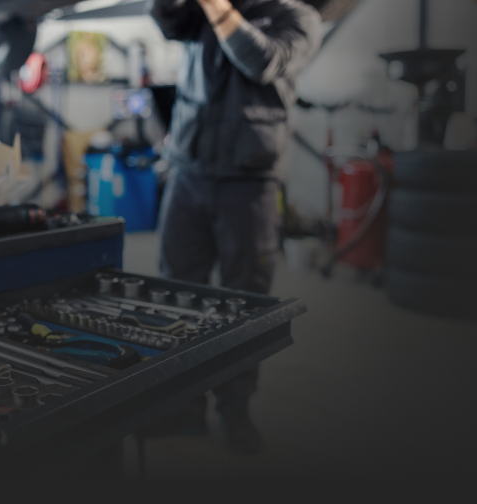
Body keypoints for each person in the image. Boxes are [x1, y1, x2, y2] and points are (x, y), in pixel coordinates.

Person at [150, 0, 322, 454]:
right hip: (189, 174)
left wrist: (219, 8)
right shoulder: (200, 13)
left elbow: (263, 61)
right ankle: (184, 407)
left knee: (244, 303)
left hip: (250, 184)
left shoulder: (297, 18)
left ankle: (235, 407)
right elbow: (168, 20)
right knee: (176, 297)